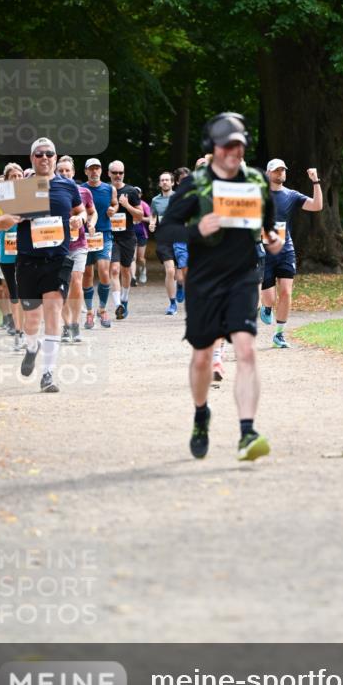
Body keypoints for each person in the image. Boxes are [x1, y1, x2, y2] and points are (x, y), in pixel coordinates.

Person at [157, 112, 283, 461]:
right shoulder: (197, 184)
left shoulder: (256, 181)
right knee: (201, 357)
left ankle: (247, 432)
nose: (234, 152)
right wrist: (196, 231)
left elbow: (269, 225)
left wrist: (273, 239)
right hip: (204, 280)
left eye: (239, 145)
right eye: (227, 146)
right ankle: (201, 414)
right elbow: (165, 230)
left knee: (246, 349)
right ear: (213, 147)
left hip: (243, 276)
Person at [15, 138, 84, 393]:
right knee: (32, 320)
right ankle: (32, 346)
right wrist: (14, 216)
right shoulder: (22, 188)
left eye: (49, 153)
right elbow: (1, 216)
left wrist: (79, 219)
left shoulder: (68, 185)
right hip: (28, 259)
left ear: (55, 157)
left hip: (57, 258)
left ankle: (48, 374)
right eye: (39, 154)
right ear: (32, 158)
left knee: (53, 312)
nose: (44, 157)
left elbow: (81, 211)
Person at [259, 158, 323, 348]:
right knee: (270, 298)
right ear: (268, 173)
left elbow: (317, 206)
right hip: (264, 251)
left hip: (285, 249)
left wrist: (315, 181)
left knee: (286, 292)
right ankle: (266, 306)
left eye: (283, 170)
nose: (280, 173)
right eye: (276, 170)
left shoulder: (291, 195)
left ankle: (279, 335)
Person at [56, 156, 97, 343]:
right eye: (61, 171)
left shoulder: (84, 192)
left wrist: (88, 222)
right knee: (60, 287)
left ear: (73, 173)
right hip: (57, 246)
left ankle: (75, 324)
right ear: (56, 173)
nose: (65, 173)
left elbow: (92, 212)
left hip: (79, 244)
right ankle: (66, 326)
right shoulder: (51, 191)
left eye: (67, 170)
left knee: (76, 281)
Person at [82, 157, 118, 329]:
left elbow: (115, 204)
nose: (94, 171)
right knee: (87, 274)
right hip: (85, 235)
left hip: (104, 234)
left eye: (97, 168)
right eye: (91, 169)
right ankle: (89, 312)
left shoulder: (109, 189)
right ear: (86, 171)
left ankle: (102, 309)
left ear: (101, 171)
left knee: (104, 272)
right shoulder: (81, 190)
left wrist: (113, 210)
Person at [0, 163, 25, 350]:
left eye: (20, 176)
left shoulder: (30, 198)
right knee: (14, 293)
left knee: (26, 292)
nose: (17, 179)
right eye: (13, 176)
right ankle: (18, 332)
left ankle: (25, 330)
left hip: (27, 252)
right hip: (7, 252)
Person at [108, 160, 142, 319]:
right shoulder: (105, 190)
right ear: (109, 173)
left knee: (125, 270)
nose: (118, 175)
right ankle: (118, 306)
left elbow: (140, 215)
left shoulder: (131, 191)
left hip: (127, 236)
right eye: (114, 172)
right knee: (114, 270)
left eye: (120, 172)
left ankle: (125, 300)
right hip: (111, 236)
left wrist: (127, 205)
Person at [150, 171, 182, 314]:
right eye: (162, 180)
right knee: (170, 271)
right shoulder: (155, 200)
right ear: (159, 183)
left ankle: (180, 285)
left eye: (167, 180)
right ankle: (172, 304)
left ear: (172, 182)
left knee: (180, 275)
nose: (164, 182)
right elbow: (153, 215)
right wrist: (152, 223)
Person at [132, 188, 151, 284]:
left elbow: (151, 218)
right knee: (133, 257)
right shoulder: (128, 204)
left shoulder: (143, 204)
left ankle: (143, 270)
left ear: (140, 194)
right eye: (134, 193)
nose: (136, 194)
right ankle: (133, 277)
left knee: (140, 258)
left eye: (138, 193)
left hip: (142, 234)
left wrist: (140, 217)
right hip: (130, 234)